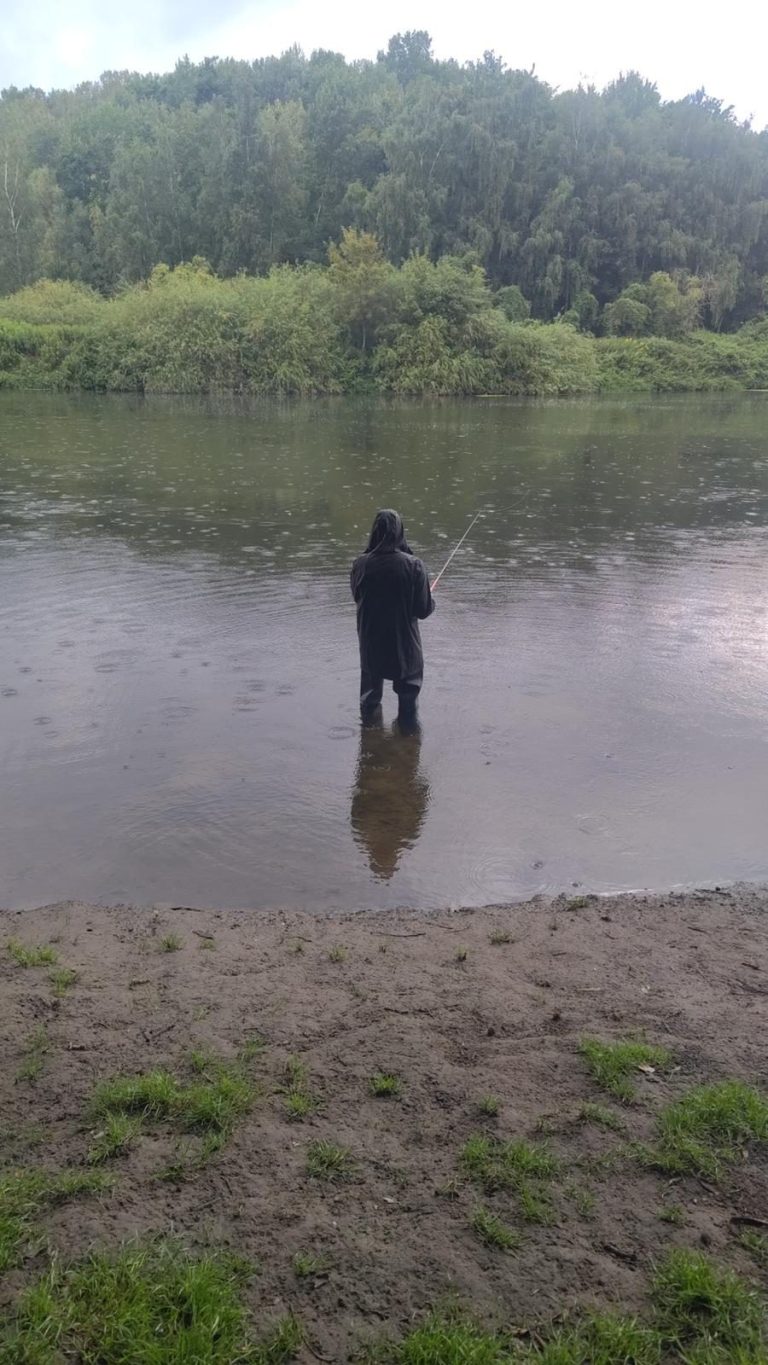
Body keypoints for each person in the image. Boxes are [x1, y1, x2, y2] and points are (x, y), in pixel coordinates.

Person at [350, 509, 435, 722]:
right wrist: (431, 599)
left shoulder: (360, 564)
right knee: (408, 706)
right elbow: (423, 610)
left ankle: (370, 735)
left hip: (371, 644)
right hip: (404, 647)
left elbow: (357, 597)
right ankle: (407, 738)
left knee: (369, 702)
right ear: (400, 532)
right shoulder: (415, 566)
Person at [350, 715, 430, 880]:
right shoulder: (408, 835)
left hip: (379, 771)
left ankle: (390, 721)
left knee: (374, 725)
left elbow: (357, 802)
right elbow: (420, 803)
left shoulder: (364, 832)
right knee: (403, 725)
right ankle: (402, 723)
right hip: (395, 771)